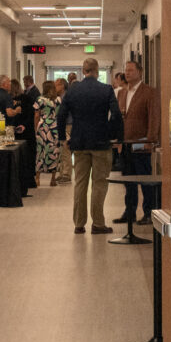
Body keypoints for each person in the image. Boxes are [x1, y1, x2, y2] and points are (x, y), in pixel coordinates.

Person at [56, 57, 122, 234]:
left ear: (83, 71)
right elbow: (116, 114)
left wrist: (63, 137)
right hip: (101, 142)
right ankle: (98, 223)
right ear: (97, 70)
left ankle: (79, 223)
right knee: (99, 183)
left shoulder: (73, 91)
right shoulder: (106, 89)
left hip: (79, 142)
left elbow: (60, 115)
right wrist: (115, 136)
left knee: (80, 183)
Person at [117, 59, 161, 224]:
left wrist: (151, 139)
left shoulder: (149, 92)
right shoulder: (122, 92)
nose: (127, 73)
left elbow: (154, 117)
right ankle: (130, 212)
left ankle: (148, 212)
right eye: (126, 70)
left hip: (141, 143)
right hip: (126, 144)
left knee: (144, 179)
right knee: (128, 181)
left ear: (140, 72)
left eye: (131, 70)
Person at [16, 74, 41, 188]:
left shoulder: (34, 93)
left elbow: (35, 112)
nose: (24, 83)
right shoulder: (27, 92)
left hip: (30, 126)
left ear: (28, 81)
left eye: (24, 81)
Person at [35, 79, 62, 185]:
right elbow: (60, 114)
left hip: (43, 127)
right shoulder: (58, 100)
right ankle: (53, 179)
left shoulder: (39, 99)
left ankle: (37, 178)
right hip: (55, 127)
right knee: (54, 151)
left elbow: (36, 115)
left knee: (40, 151)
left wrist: (35, 128)